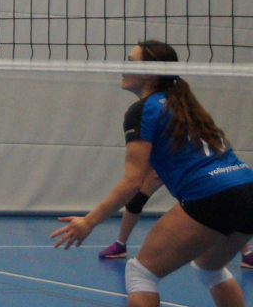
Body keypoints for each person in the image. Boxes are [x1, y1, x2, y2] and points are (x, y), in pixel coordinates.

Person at [52, 40, 253, 307]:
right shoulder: (184, 104)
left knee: (140, 274)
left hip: (209, 194)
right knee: (209, 268)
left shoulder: (143, 110)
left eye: (131, 61)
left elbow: (132, 181)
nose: (124, 66)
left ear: (148, 72)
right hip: (247, 188)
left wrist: (89, 221)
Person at [99, 165, 253, 269]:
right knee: (136, 201)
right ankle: (120, 244)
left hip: (194, 171)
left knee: (223, 201)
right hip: (168, 166)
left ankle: (246, 254)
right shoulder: (157, 128)